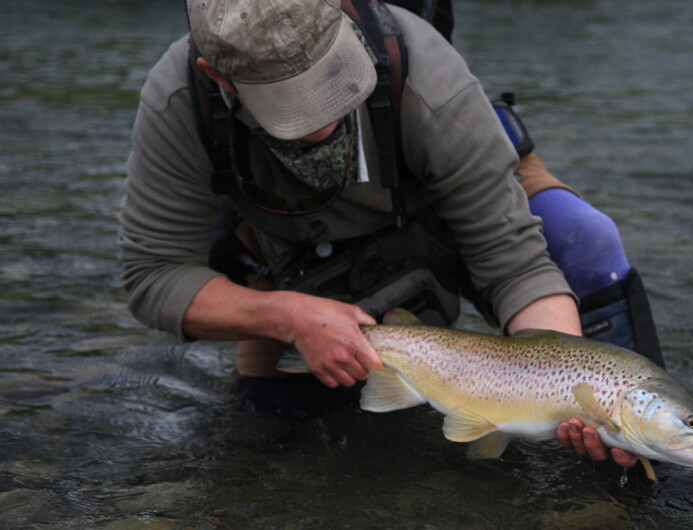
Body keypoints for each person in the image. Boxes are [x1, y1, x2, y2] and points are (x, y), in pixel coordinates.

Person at [119, 0, 663, 469]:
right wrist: (289, 317)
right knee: (271, 434)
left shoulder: (427, 77)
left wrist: (558, 388)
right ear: (220, 77)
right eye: (293, 103)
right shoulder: (180, 102)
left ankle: (627, 466)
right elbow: (153, 277)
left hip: (442, 205)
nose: (324, 119)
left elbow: (515, 264)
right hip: (296, 253)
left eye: (334, 81)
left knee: (582, 240)